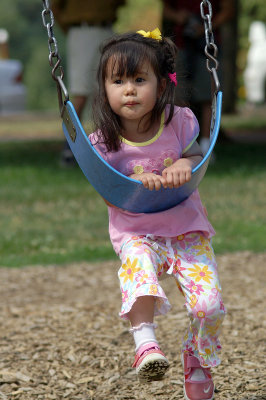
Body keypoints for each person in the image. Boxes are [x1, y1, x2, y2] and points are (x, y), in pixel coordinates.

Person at [90, 28, 226, 400]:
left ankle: (196, 359)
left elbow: (197, 157)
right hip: (138, 232)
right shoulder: (103, 142)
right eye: (118, 81)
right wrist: (134, 180)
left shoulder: (178, 121)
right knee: (138, 270)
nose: (129, 89)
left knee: (209, 307)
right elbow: (108, 192)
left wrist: (184, 161)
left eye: (139, 79)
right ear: (104, 89)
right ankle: (145, 343)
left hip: (186, 227)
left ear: (161, 84)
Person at [51, 0, 125, 166]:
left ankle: (108, 147)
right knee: (81, 92)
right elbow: (55, 7)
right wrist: (70, 29)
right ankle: (69, 147)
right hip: (82, 30)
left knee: (108, 89)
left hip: (106, 29)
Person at [162, 0, 235, 155]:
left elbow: (229, 10)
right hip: (180, 45)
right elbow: (165, 9)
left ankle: (206, 144)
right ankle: (178, 143)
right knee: (177, 96)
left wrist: (205, 28)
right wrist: (178, 16)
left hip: (207, 45)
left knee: (207, 96)